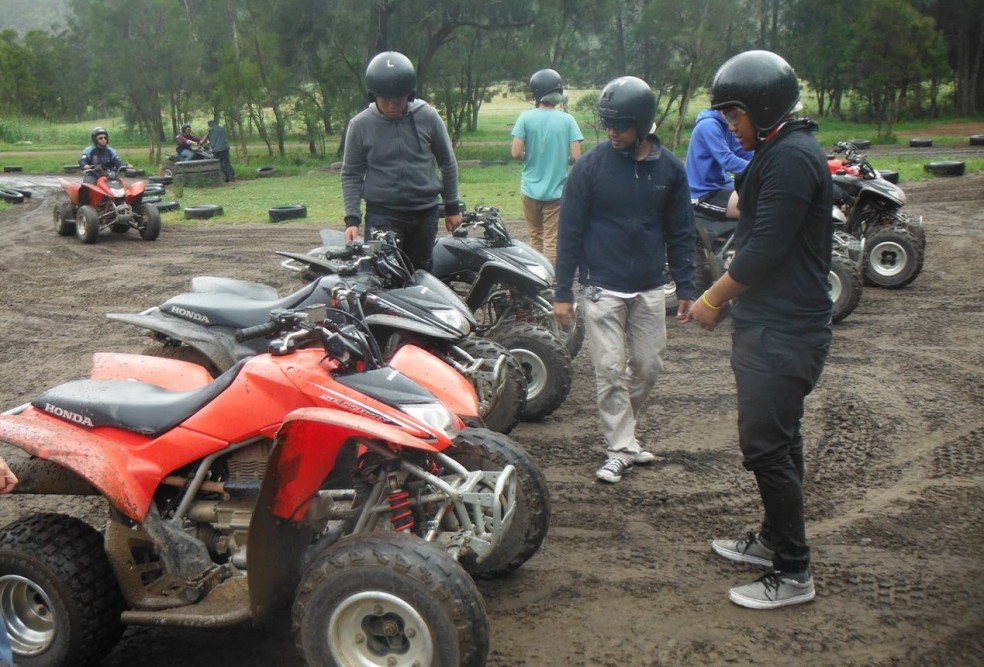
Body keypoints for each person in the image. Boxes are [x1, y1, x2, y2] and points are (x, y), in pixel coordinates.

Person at [682, 50, 833, 610]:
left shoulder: (792, 158)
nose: (728, 126)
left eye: (734, 115)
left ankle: (794, 571)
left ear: (762, 108)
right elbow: (751, 213)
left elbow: (765, 249)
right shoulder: (777, 150)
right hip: (771, 325)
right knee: (780, 439)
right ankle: (773, 540)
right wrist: (722, 306)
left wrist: (710, 300)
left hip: (785, 331)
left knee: (766, 447)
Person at [553, 76, 697, 484]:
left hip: (650, 287)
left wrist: (686, 286)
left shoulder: (670, 170)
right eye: (607, 124)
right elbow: (570, 232)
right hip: (601, 288)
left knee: (649, 368)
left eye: (621, 125)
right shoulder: (590, 168)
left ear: (643, 123)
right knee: (611, 369)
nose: (612, 132)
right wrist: (563, 291)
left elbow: (682, 232)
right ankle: (618, 446)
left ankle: (627, 436)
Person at [341, 51, 462, 272]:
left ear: (410, 94)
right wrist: (352, 219)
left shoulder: (428, 116)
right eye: (385, 98)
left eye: (399, 98)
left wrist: (452, 205)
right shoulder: (360, 125)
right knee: (385, 274)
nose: (392, 104)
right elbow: (351, 174)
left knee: (421, 273)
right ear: (373, 95)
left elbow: (447, 161)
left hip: (425, 213)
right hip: (383, 215)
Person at [510, 68, 584, 265]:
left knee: (536, 238)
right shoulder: (568, 120)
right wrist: (561, 159)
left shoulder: (525, 117)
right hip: (556, 192)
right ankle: (550, 281)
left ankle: (538, 278)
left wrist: (530, 156)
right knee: (552, 240)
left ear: (537, 93)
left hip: (530, 190)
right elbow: (577, 156)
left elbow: (515, 153)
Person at [685, 108, 755, 219]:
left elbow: (743, 153)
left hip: (723, 185)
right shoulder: (708, 125)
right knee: (754, 208)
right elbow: (728, 161)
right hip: (703, 192)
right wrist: (761, 168)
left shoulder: (727, 124)